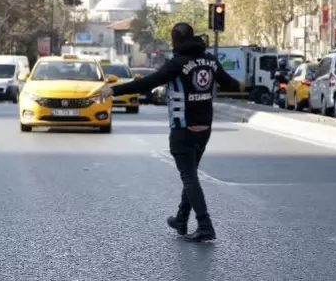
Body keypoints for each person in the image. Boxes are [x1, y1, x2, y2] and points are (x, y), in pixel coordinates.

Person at [97, 22, 241, 242]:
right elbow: (230, 84)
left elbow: (147, 83)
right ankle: (181, 219)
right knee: (190, 175)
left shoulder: (177, 63)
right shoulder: (210, 61)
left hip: (183, 127)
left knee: (189, 176)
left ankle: (205, 224)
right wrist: (244, 87)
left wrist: (112, 90)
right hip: (205, 128)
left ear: (175, 41)